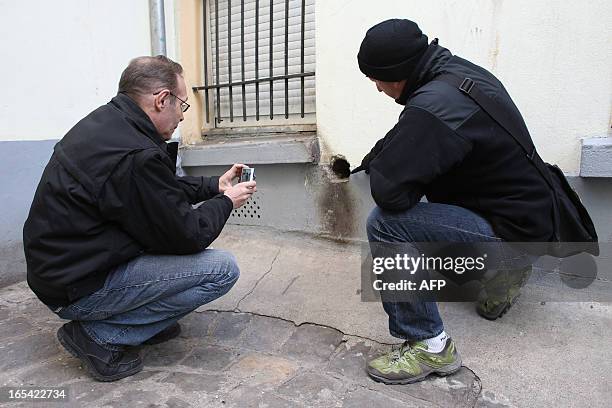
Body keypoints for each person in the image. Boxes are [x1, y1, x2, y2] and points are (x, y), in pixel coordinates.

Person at [23, 55, 256, 382]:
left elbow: (155, 191)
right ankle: (102, 335)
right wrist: (226, 201)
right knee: (220, 270)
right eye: (182, 106)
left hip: (60, 272)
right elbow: (188, 235)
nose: (181, 117)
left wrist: (212, 186)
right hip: (77, 288)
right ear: (162, 100)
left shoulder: (109, 124)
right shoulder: (136, 154)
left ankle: (137, 322)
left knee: (165, 250)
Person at [353, 19, 552, 384]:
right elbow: (412, 134)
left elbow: (392, 193)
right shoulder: (454, 73)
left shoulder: (434, 107)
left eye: (377, 79)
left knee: (385, 222)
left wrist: (396, 168)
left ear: (398, 72)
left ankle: (429, 344)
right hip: (526, 218)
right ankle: (505, 271)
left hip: (505, 229)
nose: (377, 88)